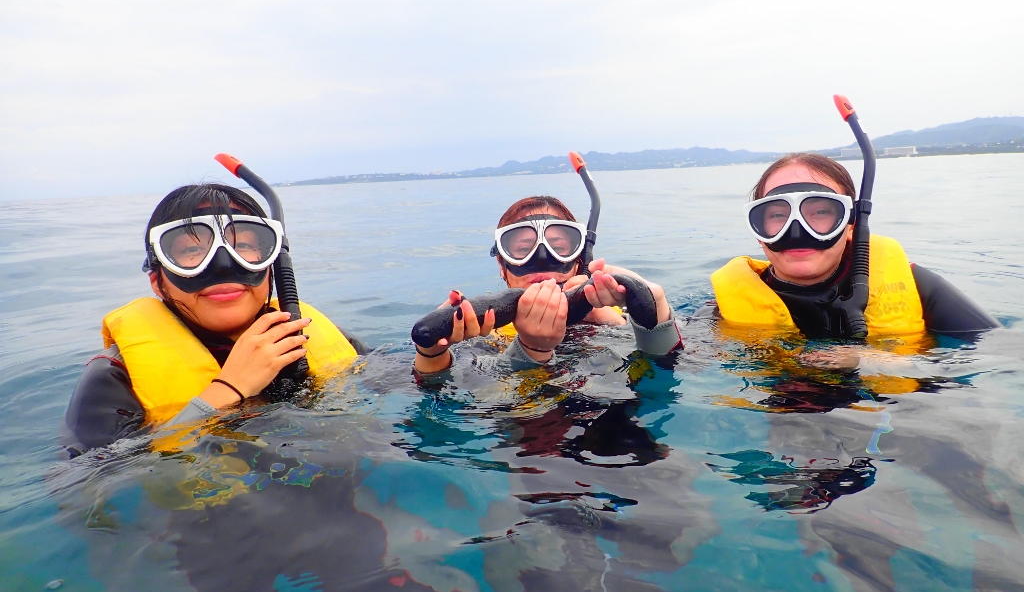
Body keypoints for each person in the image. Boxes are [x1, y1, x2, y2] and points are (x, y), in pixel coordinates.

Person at [62, 183, 366, 455]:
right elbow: (87, 490)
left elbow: (402, 393)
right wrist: (228, 390)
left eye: (244, 245)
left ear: (272, 268)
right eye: (193, 250)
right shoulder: (114, 378)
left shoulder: (309, 337)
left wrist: (417, 357)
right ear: (158, 281)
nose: (222, 265)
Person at [707, 153, 998, 339]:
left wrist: (877, 362)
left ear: (850, 225)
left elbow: (999, 358)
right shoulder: (725, 307)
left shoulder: (920, 288)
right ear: (759, 231)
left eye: (821, 212)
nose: (796, 231)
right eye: (778, 215)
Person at [412, 195, 682, 374]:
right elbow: (459, 401)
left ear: (578, 262)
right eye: (523, 248)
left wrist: (651, 307)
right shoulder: (481, 336)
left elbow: (671, 372)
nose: (542, 260)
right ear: (502, 266)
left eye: (558, 247)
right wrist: (432, 352)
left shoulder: (618, 320)